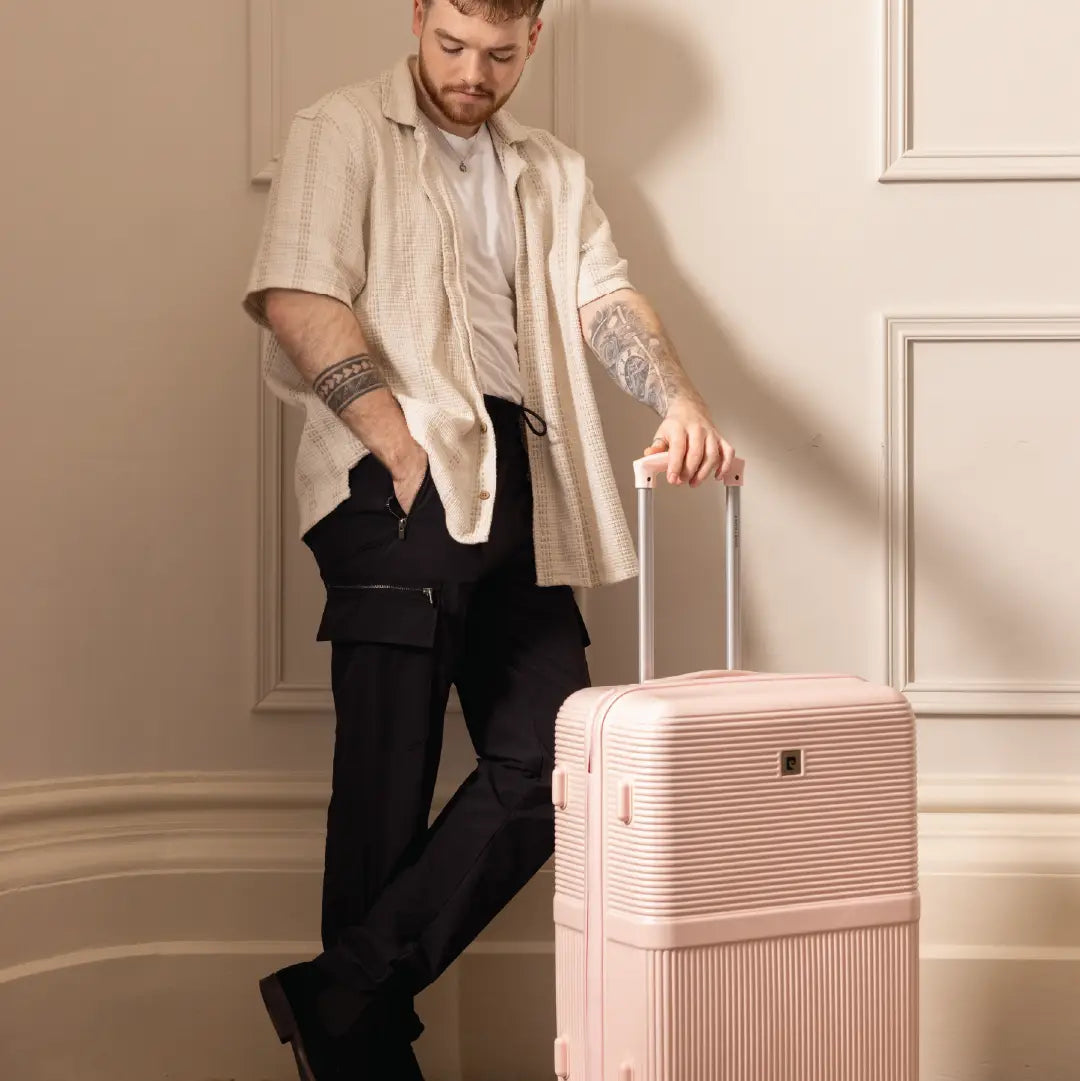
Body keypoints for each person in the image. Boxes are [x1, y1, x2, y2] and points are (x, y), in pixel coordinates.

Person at [242, 0, 735, 1077]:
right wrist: (398, 449)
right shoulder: (343, 128)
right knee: (387, 783)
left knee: (555, 754)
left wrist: (680, 403)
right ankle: (365, 1048)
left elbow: (609, 298)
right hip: (396, 474)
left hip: (528, 480)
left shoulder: (550, 168)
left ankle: (340, 998)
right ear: (418, 17)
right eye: (452, 45)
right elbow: (296, 292)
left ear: (535, 40)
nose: (473, 73)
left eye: (500, 55)